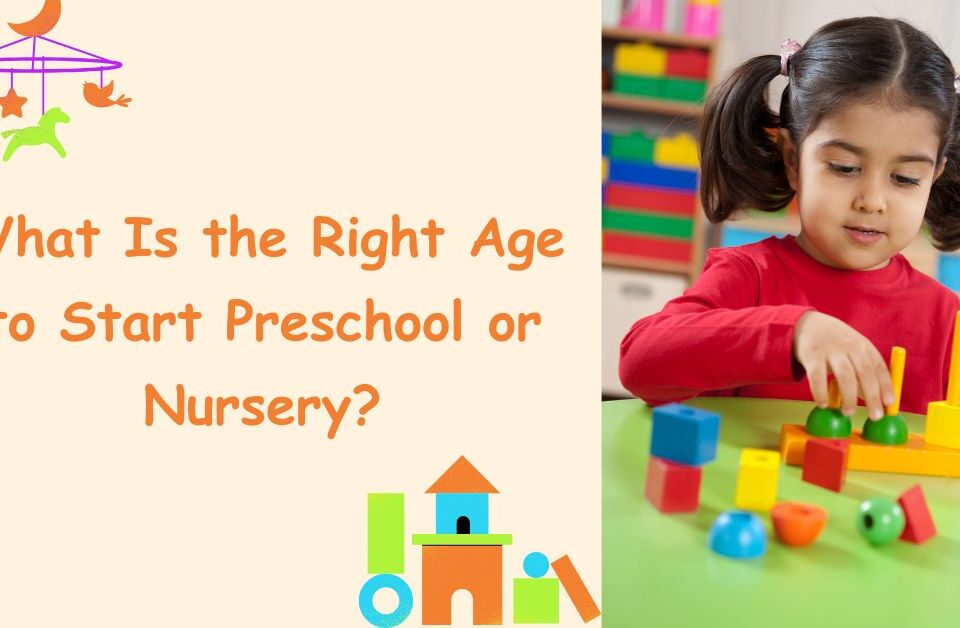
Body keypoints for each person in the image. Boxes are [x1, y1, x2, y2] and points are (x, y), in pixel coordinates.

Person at [619, 16, 960, 419]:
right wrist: (793, 332)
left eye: (905, 178)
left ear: (933, 177)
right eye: (844, 167)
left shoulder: (947, 321)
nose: (872, 201)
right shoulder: (749, 277)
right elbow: (640, 361)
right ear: (794, 160)